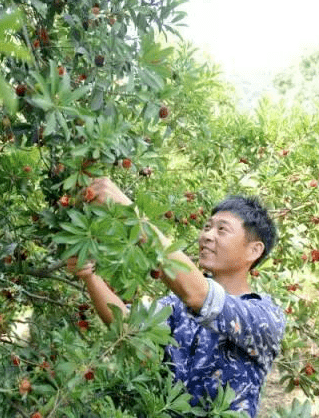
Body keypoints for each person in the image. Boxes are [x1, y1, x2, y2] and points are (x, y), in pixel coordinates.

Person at [67, 177, 286, 418]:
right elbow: (128, 327)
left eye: (222, 229)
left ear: (254, 250)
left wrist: (131, 214)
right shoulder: (176, 305)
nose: (207, 236)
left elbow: (199, 294)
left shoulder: (265, 316)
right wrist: (89, 275)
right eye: (207, 227)